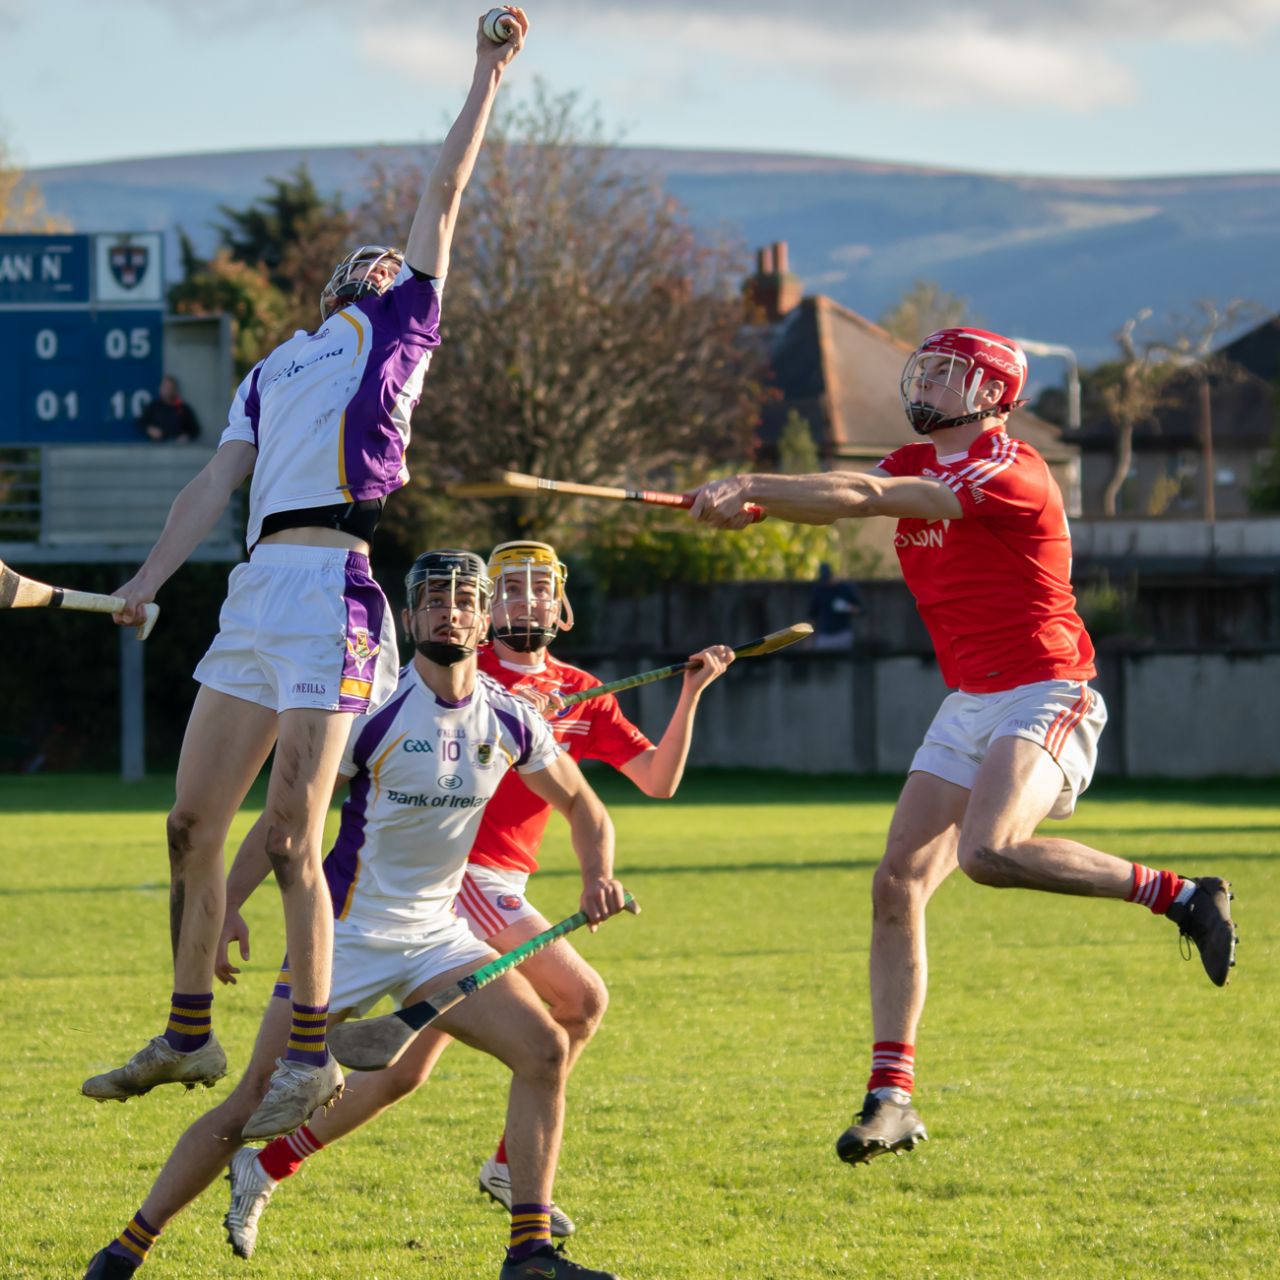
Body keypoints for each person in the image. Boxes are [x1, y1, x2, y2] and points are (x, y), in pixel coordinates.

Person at [84, 9, 529, 1142]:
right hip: (250, 594)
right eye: (367, 260)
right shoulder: (274, 362)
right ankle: (189, 1031)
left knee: (290, 833)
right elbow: (207, 489)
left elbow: (444, 190)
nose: (383, 262)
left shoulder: (401, 330)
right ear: (334, 278)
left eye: (393, 261)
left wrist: (485, 73)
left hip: (334, 587)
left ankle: (312, 1055)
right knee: (189, 825)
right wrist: (148, 576)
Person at [687, 327, 1238, 1164]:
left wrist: (752, 481)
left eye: (950, 375)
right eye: (929, 370)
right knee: (896, 881)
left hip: (1048, 688)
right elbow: (847, 489)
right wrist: (746, 509)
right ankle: (891, 1098)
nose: (930, 384)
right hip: (971, 700)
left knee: (987, 852)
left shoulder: (1007, 470)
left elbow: (866, 501)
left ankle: (1182, 894)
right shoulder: (913, 463)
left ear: (993, 395)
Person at [82, 548, 626, 1280]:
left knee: (544, 1051)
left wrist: (599, 875)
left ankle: (528, 1253)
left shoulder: (513, 720)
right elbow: (283, 819)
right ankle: (126, 1250)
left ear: (486, 615)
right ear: (408, 616)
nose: (449, 610)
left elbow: (585, 806)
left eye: (464, 599)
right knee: (250, 1101)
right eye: (433, 599)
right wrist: (230, 907)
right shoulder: (370, 716)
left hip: (438, 937)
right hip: (340, 937)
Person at [219, 539, 733, 1257]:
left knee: (404, 1072)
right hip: (463, 882)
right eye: (510, 591)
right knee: (580, 1002)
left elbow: (656, 781)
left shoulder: (581, 689)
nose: (524, 604)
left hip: (504, 885)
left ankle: (269, 1162)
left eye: (538, 592)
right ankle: (506, 1172)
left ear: (562, 606)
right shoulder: (468, 661)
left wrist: (691, 692)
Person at [807, 561, 863, 652]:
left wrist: (847, 607)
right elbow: (812, 616)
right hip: (825, 635)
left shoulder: (845, 589)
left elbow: (860, 610)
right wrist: (808, 639)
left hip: (842, 634)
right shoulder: (818, 591)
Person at [137, 376, 200, 443]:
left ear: (174, 390)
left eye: (169, 388)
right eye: (164, 387)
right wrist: (149, 429)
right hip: (157, 447)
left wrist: (186, 436)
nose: (166, 390)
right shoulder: (154, 407)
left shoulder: (183, 408)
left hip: (178, 449)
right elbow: (140, 423)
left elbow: (195, 430)